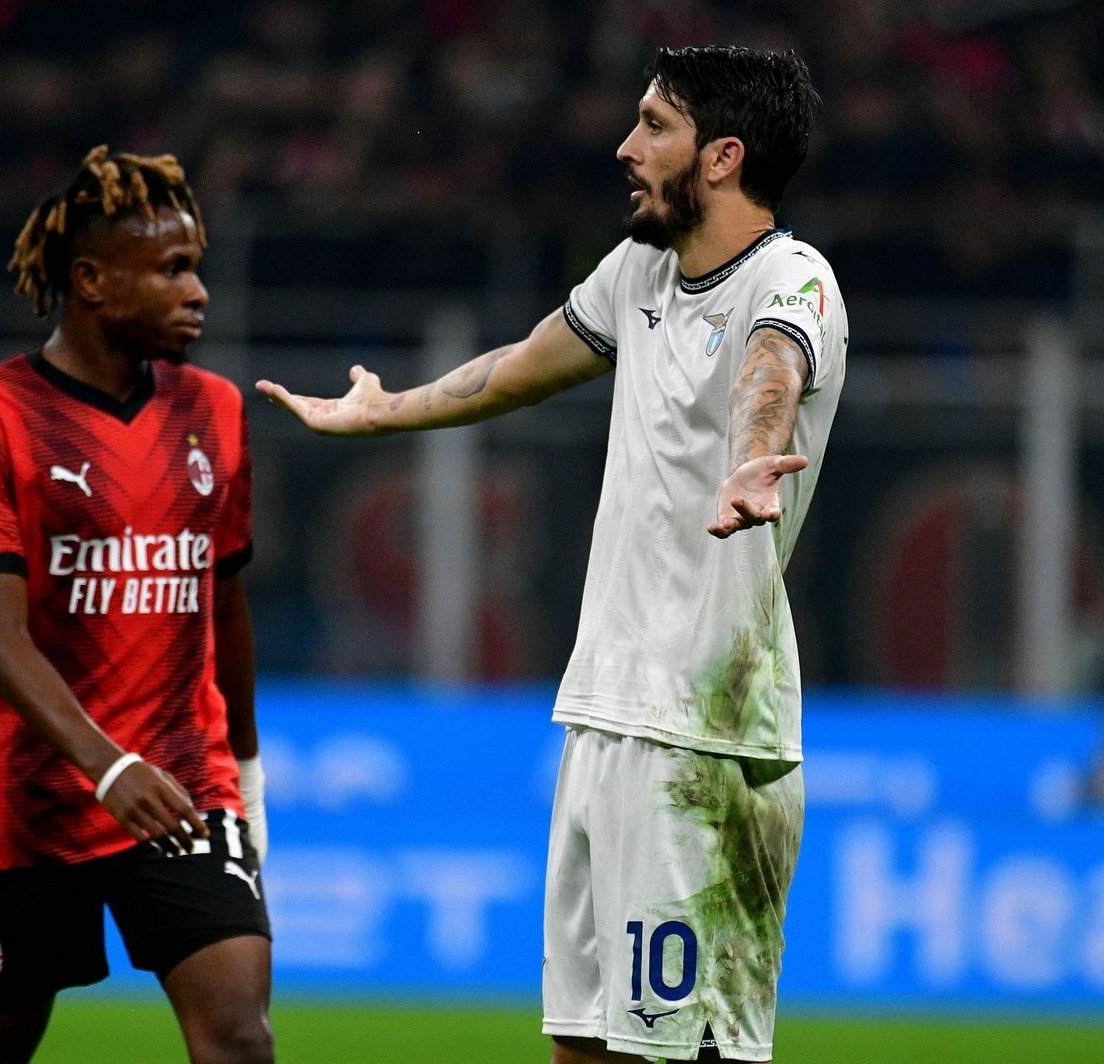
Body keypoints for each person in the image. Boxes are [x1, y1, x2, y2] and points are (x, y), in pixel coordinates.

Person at [258, 46, 844, 1064]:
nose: (625, 148)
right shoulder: (639, 272)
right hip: (603, 715)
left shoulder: (793, 278)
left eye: (654, 126)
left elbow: (771, 367)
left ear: (722, 157)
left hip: (701, 732)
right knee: (582, 1045)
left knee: (684, 1052)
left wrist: (753, 456)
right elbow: (519, 367)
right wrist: (385, 411)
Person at [0, 145, 272, 1064]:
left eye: (195, 266)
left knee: (239, 1037)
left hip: (184, 783)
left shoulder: (215, 411)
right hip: (32, 796)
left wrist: (244, 771)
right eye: (172, 269)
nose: (198, 291)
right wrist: (107, 767)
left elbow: (225, 604)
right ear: (90, 281)